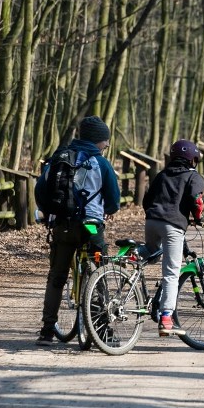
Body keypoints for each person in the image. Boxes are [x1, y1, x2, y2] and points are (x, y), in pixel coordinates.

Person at [35, 115, 121, 346]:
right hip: (91, 226)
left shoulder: (58, 158)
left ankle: (46, 331)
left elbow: (41, 190)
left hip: (62, 224)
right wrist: (109, 209)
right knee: (99, 274)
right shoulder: (100, 163)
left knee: (56, 277)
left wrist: (48, 214)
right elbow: (113, 199)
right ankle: (103, 330)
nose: (107, 145)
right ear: (97, 141)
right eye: (105, 141)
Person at [142, 139, 204, 337]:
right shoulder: (193, 176)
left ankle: (130, 257)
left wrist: (155, 215)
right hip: (173, 226)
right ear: (192, 159)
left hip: (152, 221)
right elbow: (196, 200)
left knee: (151, 252)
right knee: (171, 272)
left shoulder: (162, 175)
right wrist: (199, 218)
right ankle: (166, 318)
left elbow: (146, 200)